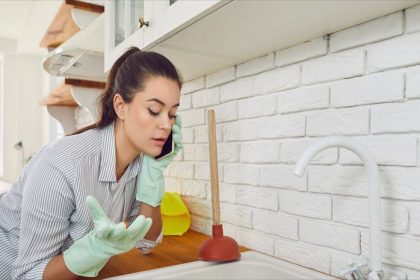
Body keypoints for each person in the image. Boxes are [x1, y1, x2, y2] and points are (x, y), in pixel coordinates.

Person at [0, 46, 183, 279]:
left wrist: (153, 179)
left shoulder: (141, 164)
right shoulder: (64, 163)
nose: (166, 124)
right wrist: (92, 252)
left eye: (172, 114)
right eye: (154, 110)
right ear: (120, 106)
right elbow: (26, 274)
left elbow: (146, 242)